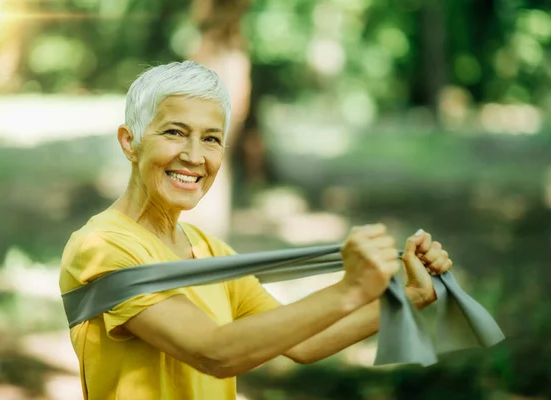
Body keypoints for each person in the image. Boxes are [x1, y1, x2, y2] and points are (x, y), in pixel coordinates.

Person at [59, 60, 454, 400]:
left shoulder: (209, 251)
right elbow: (214, 353)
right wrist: (352, 287)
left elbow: (303, 342)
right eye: (175, 132)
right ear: (130, 142)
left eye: (210, 139)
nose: (194, 156)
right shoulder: (101, 248)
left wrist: (409, 295)